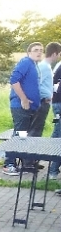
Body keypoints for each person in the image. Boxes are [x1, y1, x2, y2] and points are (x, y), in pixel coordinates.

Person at [3, 42, 44, 176]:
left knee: (24, 136)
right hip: (20, 106)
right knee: (19, 134)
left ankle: (24, 163)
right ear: (29, 52)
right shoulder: (26, 62)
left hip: (31, 107)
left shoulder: (34, 65)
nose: (39, 52)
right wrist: (24, 99)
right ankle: (8, 164)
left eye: (41, 50)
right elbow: (14, 80)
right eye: (36, 50)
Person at [30, 42, 60, 138]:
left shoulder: (47, 66)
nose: (59, 57)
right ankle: (31, 146)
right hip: (41, 102)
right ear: (54, 54)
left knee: (38, 128)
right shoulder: (44, 66)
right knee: (36, 130)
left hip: (45, 102)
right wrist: (44, 97)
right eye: (59, 54)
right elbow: (36, 84)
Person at [49, 43, 61, 183]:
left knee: (57, 135)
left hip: (57, 102)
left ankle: (53, 169)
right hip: (59, 103)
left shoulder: (58, 65)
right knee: (58, 138)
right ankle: (53, 170)